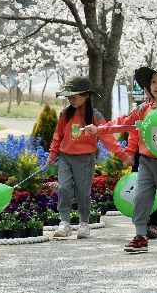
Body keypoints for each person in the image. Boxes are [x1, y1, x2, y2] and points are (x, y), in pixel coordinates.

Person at [90, 66, 157, 253]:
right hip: (146, 162)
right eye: (153, 82)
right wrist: (99, 129)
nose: (156, 86)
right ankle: (140, 236)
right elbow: (123, 123)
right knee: (141, 198)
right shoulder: (143, 109)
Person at [46, 77, 127, 239]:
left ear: (86, 96)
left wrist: (122, 155)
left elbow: (107, 137)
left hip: (85, 160)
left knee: (83, 192)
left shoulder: (95, 116)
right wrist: (52, 154)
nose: (71, 100)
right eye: (69, 97)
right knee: (63, 189)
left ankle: (84, 223)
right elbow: (58, 136)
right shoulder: (65, 114)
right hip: (65, 158)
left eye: (74, 96)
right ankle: (64, 223)